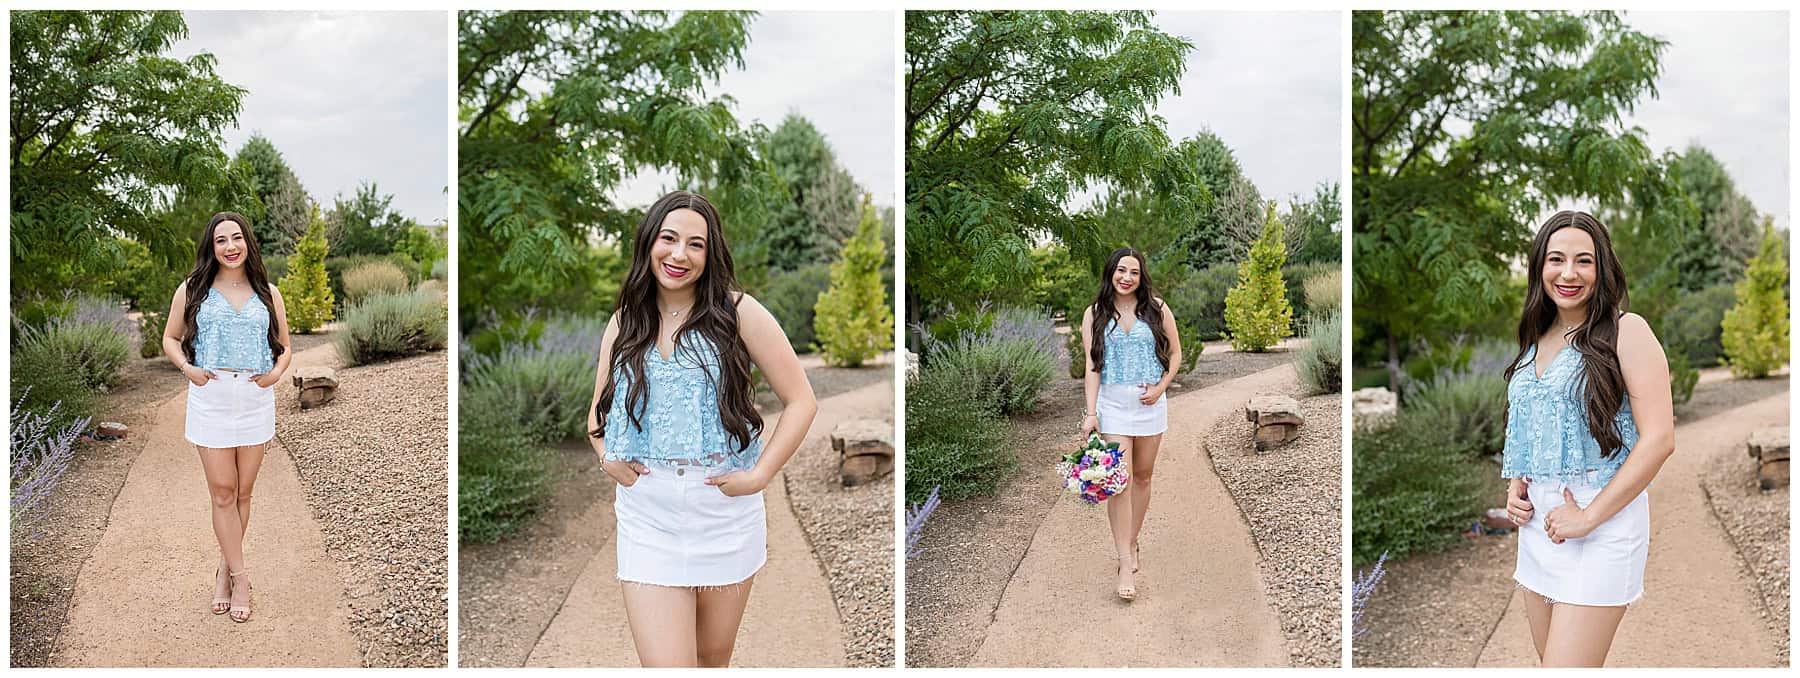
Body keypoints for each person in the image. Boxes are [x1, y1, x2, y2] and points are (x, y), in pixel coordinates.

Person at [586, 190, 818, 667]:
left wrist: (759, 476)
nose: (679, 254)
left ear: (711, 255)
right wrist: (606, 457)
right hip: (648, 517)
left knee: (712, 662)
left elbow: (802, 401)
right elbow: (596, 416)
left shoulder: (739, 312)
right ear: (649, 242)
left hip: (724, 514)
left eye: (696, 244)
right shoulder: (625, 321)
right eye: (669, 239)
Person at [1499, 210, 1676, 667]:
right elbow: (1537, 421)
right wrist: (1518, 483)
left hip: (1602, 525)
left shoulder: (1626, 330)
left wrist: (1588, 518)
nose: (1569, 273)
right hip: (1540, 529)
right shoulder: (1537, 335)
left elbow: (1659, 439)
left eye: (1584, 261)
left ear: (1603, 268)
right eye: (1556, 259)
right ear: (1540, 266)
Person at [161, 211, 292, 623]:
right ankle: (241, 577)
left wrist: (274, 375)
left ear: (248, 242)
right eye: (221, 240)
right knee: (222, 493)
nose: (230, 246)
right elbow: (170, 338)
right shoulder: (193, 289)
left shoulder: (268, 292)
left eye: (237, 238)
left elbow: (285, 347)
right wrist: (188, 369)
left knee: (243, 494)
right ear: (211, 247)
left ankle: (224, 568)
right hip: (211, 397)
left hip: (254, 398)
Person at [1078, 247, 1181, 601]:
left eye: (1134, 272)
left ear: (1141, 276)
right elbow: (1092, 366)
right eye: (1121, 270)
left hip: (1150, 404)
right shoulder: (1094, 313)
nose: (1126, 277)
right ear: (1111, 272)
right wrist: (1091, 412)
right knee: (1118, 481)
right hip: (1113, 406)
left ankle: (1133, 540)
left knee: (1143, 477)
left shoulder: (1157, 308)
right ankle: (1124, 561)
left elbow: (1176, 353)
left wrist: (1161, 387)